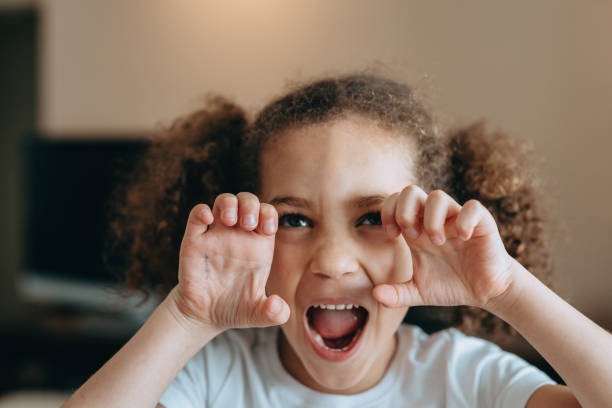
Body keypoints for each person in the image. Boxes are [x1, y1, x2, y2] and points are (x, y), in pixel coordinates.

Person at [63, 73, 611, 407]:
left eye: (372, 218)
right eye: (296, 221)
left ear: (426, 235)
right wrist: (186, 318)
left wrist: (507, 289)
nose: (332, 261)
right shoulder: (216, 375)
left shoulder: (466, 379)